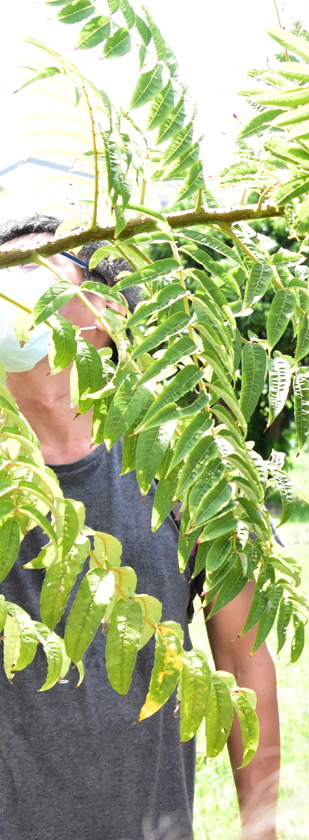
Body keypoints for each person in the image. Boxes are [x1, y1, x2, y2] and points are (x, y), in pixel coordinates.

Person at [0, 214, 281, 840]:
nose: (12, 288)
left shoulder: (188, 464)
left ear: (100, 313)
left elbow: (243, 655)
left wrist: (261, 825)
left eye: (37, 267)